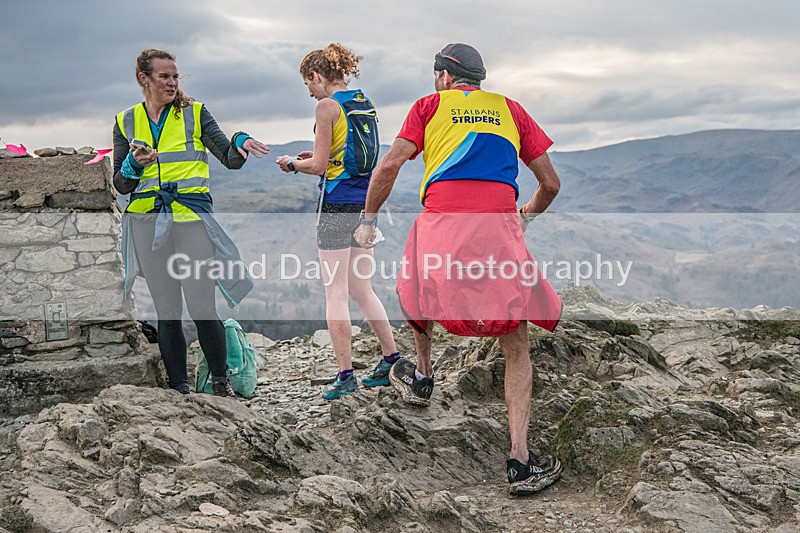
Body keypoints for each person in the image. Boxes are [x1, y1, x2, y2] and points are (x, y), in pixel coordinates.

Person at [354, 43, 564, 495]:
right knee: (516, 340)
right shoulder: (511, 110)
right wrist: (523, 218)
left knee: (416, 286)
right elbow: (550, 183)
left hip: (442, 225)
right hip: (497, 230)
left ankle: (422, 376)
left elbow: (390, 164)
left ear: (445, 77)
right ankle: (520, 461)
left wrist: (368, 220)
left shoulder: (428, 107)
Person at [113, 48, 269, 398]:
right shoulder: (125, 121)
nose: (172, 82)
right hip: (147, 223)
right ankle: (179, 390)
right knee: (167, 310)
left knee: (201, 306)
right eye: (164, 76)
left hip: (191, 221)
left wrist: (241, 139)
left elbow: (230, 158)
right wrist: (134, 165)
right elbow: (120, 185)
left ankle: (220, 383)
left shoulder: (195, 113)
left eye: (175, 76)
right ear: (144, 79)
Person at [275, 43, 400, 400]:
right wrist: (318, 155)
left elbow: (318, 166)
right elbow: (347, 154)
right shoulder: (364, 102)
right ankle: (391, 358)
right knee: (362, 288)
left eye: (308, 84)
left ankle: (345, 375)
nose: (309, 92)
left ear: (317, 76)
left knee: (335, 293)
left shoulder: (326, 106)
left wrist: (291, 163)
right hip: (365, 206)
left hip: (335, 206)